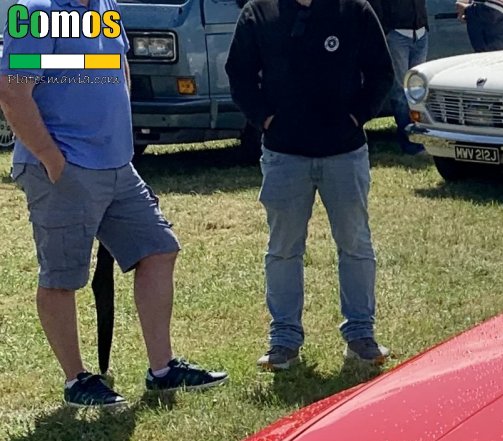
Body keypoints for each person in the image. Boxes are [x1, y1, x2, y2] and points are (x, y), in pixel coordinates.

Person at [0, 0, 226, 409]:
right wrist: (52, 158)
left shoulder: (105, 7)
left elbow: (116, 66)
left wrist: (121, 140)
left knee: (159, 249)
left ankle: (162, 370)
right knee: (62, 277)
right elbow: (14, 90)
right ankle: (76, 381)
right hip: (63, 167)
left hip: (116, 165)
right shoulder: (36, 13)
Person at [226, 0, 395, 372]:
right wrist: (265, 119)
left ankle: (361, 335)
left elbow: (382, 72)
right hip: (284, 155)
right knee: (283, 249)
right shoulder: (260, 12)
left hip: (344, 152)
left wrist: (357, 116)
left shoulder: (354, 10)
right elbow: (239, 75)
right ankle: (283, 340)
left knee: (355, 244)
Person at [374, 0, 428, 154]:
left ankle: (421, 138)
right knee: (400, 92)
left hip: (420, 32)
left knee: (418, 90)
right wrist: (386, 30)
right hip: (397, 34)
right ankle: (410, 143)